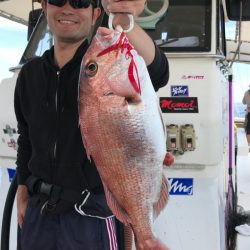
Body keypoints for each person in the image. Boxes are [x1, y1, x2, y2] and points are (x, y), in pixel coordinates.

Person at [14, 0, 170, 249]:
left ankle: (146, 237)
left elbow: (159, 70)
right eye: (57, 0)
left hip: (91, 216)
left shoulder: (107, 63)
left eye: (79, 2)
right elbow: (26, 138)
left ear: (95, 12)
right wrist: (22, 189)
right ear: (44, 7)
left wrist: (124, 20)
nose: (67, 9)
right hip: (38, 212)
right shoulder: (29, 74)